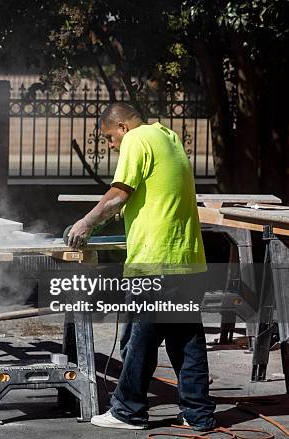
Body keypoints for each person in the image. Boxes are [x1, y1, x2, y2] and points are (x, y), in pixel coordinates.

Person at [67, 102, 215, 430]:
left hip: (156, 263)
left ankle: (128, 411)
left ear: (122, 127)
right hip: (187, 260)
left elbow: (120, 193)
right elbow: (153, 195)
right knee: (186, 340)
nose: (110, 145)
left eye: (109, 137)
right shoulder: (167, 137)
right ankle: (198, 414)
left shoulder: (135, 140)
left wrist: (86, 223)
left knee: (139, 341)